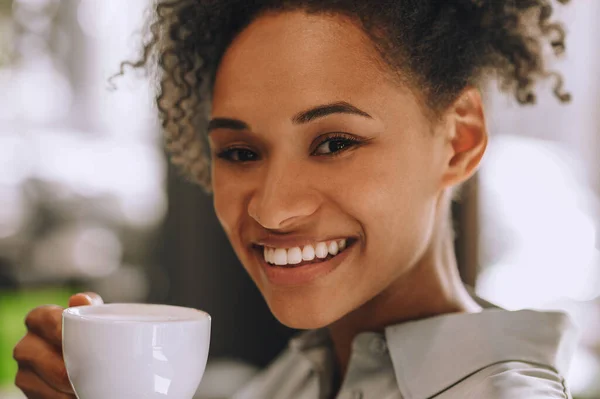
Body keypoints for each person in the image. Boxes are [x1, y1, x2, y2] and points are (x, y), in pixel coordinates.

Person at [13, 0, 579, 398]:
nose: (271, 209)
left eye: (334, 142)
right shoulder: (289, 381)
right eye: (239, 152)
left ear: (460, 140)